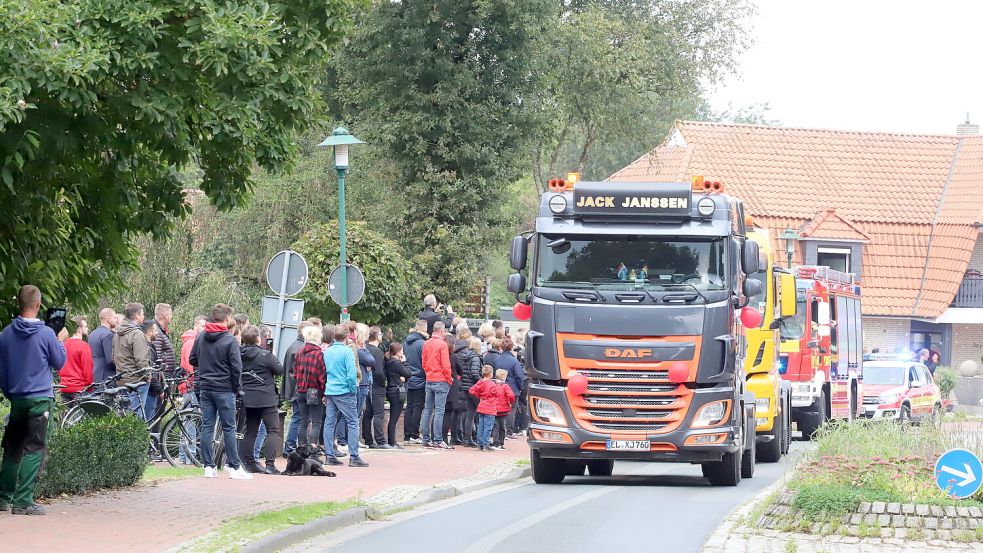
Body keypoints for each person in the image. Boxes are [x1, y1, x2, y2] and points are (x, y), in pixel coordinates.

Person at [0, 285, 67, 515]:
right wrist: (59, 339)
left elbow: (2, 371)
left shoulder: (6, 333)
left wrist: (11, 393)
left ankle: (2, 498)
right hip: (39, 398)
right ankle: (23, 501)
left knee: (12, 448)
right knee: (34, 448)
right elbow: (59, 362)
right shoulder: (47, 333)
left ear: (19, 303)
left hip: (17, 398)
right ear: (38, 305)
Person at [190, 303, 250, 480]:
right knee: (229, 428)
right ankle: (234, 466)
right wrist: (236, 387)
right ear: (226, 319)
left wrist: (205, 368)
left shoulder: (201, 337)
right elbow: (236, 367)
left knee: (207, 426)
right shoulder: (229, 340)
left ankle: (208, 466)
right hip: (224, 389)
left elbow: (192, 358)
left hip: (205, 387)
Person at [238, 325, 284, 474]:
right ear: (258, 338)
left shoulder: (238, 354)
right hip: (266, 398)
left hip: (248, 397)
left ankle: (249, 462)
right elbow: (279, 370)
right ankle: (270, 465)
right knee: (273, 430)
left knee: (250, 431)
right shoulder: (265, 355)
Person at [323, 324, 369, 467]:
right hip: (344, 391)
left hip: (330, 390)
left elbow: (325, 371)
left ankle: (329, 455)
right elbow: (351, 374)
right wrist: (352, 389)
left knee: (329, 423)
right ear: (347, 336)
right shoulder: (347, 352)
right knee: (353, 422)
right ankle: (354, 457)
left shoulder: (328, 351)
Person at [113, 303, 152, 420]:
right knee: (136, 418)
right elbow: (141, 359)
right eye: (142, 314)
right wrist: (148, 375)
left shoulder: (117, 334)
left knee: (125, 417)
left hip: (121, 379)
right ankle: (136, 439)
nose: (143, 317)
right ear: (136, 315)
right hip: (136, 381)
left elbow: (113, 356)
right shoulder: (137, 334)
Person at [282, 320, 315, 456]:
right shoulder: (300, 349)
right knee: (299, 418)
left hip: (295, 388)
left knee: (299, 418)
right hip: (299, 388)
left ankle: (290, 446)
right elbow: (295, 372)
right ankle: (290, 447)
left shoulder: (295, 346)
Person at [292, 325, 327, 449]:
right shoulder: (318, 354)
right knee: (316, 422)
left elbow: (295, 373)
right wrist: (324, 392)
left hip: (301, 390)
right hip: (314, 391)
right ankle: (312, 448)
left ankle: (301, 448)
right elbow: (321, 376)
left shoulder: (299, 352)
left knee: (303, 421)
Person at [421, 321, 453, 449]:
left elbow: (423, 362)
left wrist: (428, 372)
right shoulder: (442, 344)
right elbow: (446, 364)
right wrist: (448, 378)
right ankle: (438, 439)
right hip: (441, 379)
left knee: (427, 410)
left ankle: (425, 438)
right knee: (439, 411)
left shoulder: (426, 343)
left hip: (429, 378)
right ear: (441, 330)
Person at [177, 316, 205, 465]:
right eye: (201, 325)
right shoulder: (191, 342)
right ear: (195, 326)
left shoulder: (192, 341)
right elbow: (190, 366)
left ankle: (186, 455)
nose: (203, 328)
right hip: (191, 385)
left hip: (190, 384)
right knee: (191, 419)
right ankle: (189, 455)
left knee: (190, 419)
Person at [494, 336, 525, 439]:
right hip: (513, 388)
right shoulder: (514, 361)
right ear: (511, 348)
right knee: (511, 410)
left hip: (499, 387)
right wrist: (520, 387)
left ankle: (500, 431)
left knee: (500, 409)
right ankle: (509, 431)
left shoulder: (497, 359)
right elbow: (519, 376)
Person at [403, 320, 428, 444]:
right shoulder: (422, 344)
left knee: (409, 406)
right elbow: (425, 362)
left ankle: (407, 435)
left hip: (408, 377)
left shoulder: (406, 343)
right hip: (420, 379)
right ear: (424, 329)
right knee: (418, 406)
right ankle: (414, 434)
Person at [58, 316, 93, 404]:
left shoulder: (63, 344)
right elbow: (88, 369)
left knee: (65, 416)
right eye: (85, 327)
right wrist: (90, 387)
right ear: (79, 329)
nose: (87, 329)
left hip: (64, 386)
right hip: (79, 388)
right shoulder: (84, 346)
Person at [383, 343, 411, 448]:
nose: (403, 353)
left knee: (393, 417)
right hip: (397, 390)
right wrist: (404, 363)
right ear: (398, 352)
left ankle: (392, 441)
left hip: (390, 389)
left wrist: (403, 377)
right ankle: (392, 441)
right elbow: (408, 373)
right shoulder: (397, 363)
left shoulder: (388, 362)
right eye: (402, 351)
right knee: (394, 417)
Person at [468, 365, 499, 452]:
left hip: (481, 406)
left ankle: (480, 444)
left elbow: (471, 390)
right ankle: (486, 444)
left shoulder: (480, 382)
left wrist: (480, 395)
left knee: (480, 426)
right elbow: (496, 394)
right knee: (488, 427)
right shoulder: (492, 384)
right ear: (491, 374)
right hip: (490, 407)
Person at [459, 337, 484, 448]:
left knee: (470, 414)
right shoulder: (475, 357)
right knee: (481, 412)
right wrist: (482, 382)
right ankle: (479, 439)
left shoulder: (466, 356)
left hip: (466, 387)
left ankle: (467, 438)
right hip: (474, 388)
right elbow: (474, 373)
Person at [366, 327, 388, 448]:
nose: (382, 335)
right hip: (377, 386)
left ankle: (368, 439)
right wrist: (382, 382)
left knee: (368, 413)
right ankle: (380, 440)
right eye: (380, 333)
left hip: (367, 385)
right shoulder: (378, 352)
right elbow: (379, 371)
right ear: (376, 336)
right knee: (379, 413)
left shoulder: (365, 349)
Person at [354, 324, 375, 447]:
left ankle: (355, 439)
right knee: (356, 413)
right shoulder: (358, 350)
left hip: (365, 382)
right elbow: (371, 361)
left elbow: (371, 360)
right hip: (361, 383)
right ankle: (352, 440)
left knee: (360, 413)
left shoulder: (363, 348)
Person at [88, 307, 117, 382]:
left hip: (94, 374)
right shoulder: (108, 334)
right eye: (115, 318)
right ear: (109, 319)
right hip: (106, 376)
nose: (116, 320)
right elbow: (110, 359)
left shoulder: (92, 333)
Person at [490, 369, 516, 450]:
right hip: (503, 410)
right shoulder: (505, 386)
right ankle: (501, 443)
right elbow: (511, 395)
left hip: (494, 409)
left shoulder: (492, 385)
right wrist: (510, 402)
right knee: (502, 426)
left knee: (495, 426)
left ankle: (495, 442)